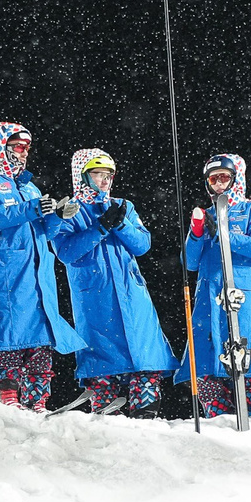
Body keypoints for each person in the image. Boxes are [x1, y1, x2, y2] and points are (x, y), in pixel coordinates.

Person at [0, 120, 83, 408]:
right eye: (18, 146)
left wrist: (57, 216)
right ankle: (6, 394)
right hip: (4, 274)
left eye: (27, 147)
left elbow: (44, 231)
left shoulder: (29, 187)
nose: (24, 152)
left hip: (37, 276)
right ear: (0, 147)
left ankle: (38, 398)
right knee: (7, 333)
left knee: (41, 336)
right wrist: (31, 209)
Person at [51, 147, 174, 415]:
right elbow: (65, 252)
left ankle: (146, 408)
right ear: (82, 176)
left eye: (109, 175)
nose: (105, 181)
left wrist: (120, 225)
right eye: (98, 174)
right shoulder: (69, 210)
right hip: (95, 297)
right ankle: (105, 408)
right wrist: (100, 228)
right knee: (101, 358)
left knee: (145, 354)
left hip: (132, 295)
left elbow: (143, 244)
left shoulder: (124, 206)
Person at [182, 152, 251, 421]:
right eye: (214, 179)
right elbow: (189, 261)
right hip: (210, 298)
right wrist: (196, 233)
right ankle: (216, 422)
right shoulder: (206, 213)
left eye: (224, 178)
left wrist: (225, 234)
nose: (219, 185)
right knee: (209, 363)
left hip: (244, 298)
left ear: (236, 179)